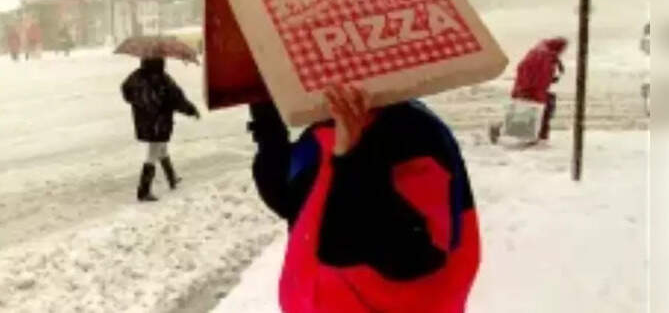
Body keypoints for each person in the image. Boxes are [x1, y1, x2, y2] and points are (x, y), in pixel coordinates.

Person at [247, 85, 480, 312]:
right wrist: (265, 110)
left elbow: (412, 256)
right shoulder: (329, 126)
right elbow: (288, 195)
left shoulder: (415, 133)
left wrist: (352, 160)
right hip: (319, 300)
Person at [121, 57, 200, 202]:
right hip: (159, 121)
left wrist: (143, 103)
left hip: (143, 121)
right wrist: (191, 110)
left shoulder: (136, 76)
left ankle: (172, 177)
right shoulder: (162, 79)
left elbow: (126, 91)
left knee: (160, 148)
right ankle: (144, 190)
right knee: (153, 153)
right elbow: (177, 98)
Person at [511, 37, 568, 142]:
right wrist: (526, 89)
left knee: (532, 115)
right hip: (532, 90)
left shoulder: (543, 54)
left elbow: (538, 73)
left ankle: (538, 136)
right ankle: (539, 136)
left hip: (532, 89)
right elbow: (535, 73)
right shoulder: (543, 56)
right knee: (539, 113)